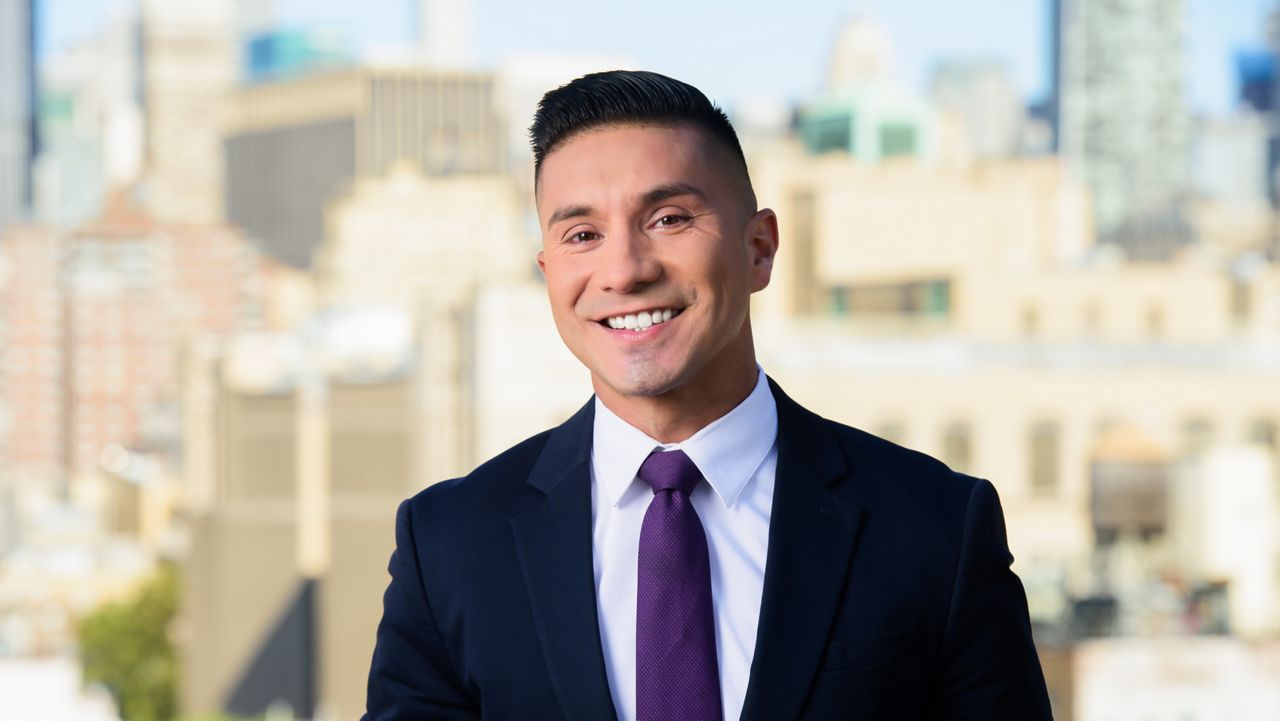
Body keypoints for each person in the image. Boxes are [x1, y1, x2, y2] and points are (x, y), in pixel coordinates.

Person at [362, 70, 1053, 721]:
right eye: (582, 235)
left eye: (667, 219)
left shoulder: (936, 530)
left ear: (759, 248)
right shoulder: (450, 546)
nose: (625, 270)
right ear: (548, 271)